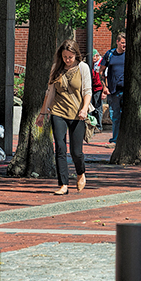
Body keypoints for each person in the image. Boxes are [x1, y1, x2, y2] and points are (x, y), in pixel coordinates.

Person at [37, 40, 91, 194]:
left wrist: (84, 109)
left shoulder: (83, 68)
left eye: (70, 57)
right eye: (65, 57)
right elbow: (50, 93)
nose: (67, 60)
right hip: (58, 112)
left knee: (76, 152)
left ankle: (80, 174)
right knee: (60, 147)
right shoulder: (56, 68)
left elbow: (88, 91)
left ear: (76, 55)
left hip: (77, 113)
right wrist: (42, 114)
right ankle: (63, 184)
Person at [99, 32, 126, 146]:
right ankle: (115, 139)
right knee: (115, 116)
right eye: (123, 43)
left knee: (126, 115)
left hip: (126, 90)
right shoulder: (110, 54)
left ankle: (125, 139)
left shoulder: (130, 54)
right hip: (113, 90)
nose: (125, 45)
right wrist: (104, 86)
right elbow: (101, 71)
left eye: (126, 43)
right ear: (118, 42)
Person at [90, 49, 104, 133]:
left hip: (98, 88)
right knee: (91, 108)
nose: (95, 57)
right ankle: (91, 125)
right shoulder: (90, 64)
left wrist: (104, 90)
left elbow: (103, 76)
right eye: (93, 56)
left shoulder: (101, 63)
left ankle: (99, 126)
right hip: (91, 88)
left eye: (96, 56)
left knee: (98, 107)